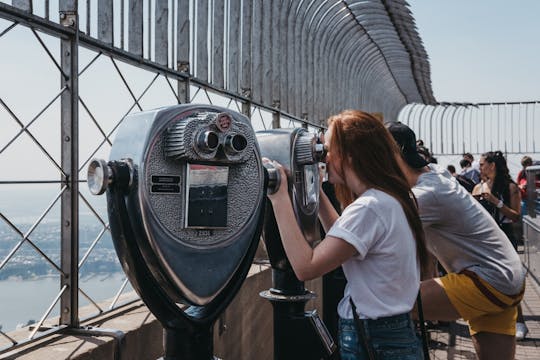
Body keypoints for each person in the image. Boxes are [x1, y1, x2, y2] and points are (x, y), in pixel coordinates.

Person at [266, 110, 428, 359]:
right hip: (389, 332)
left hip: (374, 337)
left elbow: (305, 267)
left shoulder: (370, 208)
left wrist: (278, 195)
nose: (323, 158)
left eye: (328, 149)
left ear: (350, 156)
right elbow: (343, 238)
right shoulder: (388, 199)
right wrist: (317, 193)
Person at [387, 122, 525, 360]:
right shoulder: (435, 174)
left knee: (384, 302)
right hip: (508, 274)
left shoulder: (426, 195)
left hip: (487, 280)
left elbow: (368, 232)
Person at [472, 150, 528, 340]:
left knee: (509, 278)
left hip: (504, 234)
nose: (479, 167)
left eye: (481, 164)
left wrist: (497, 203)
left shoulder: (510, 187)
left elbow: (516, 216)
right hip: (483, 238)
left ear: (492, 165)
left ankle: (519, 321)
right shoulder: (478, 187)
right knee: (483, 278)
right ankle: (493, 323)